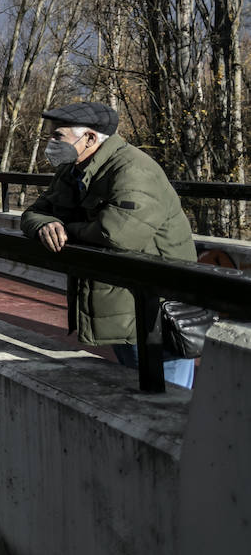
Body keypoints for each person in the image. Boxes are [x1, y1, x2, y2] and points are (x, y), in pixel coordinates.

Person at [19, 101, 198, 387]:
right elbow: (33, 213)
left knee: (167, 402)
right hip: (119, 304)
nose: (50, 143)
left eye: (58, 136)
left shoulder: (134, 170)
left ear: (90, 137)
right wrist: (44, 224)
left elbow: (117, 235)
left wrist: (66, 228)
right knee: (137, 391)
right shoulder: (72, 170)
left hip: (157, 313)